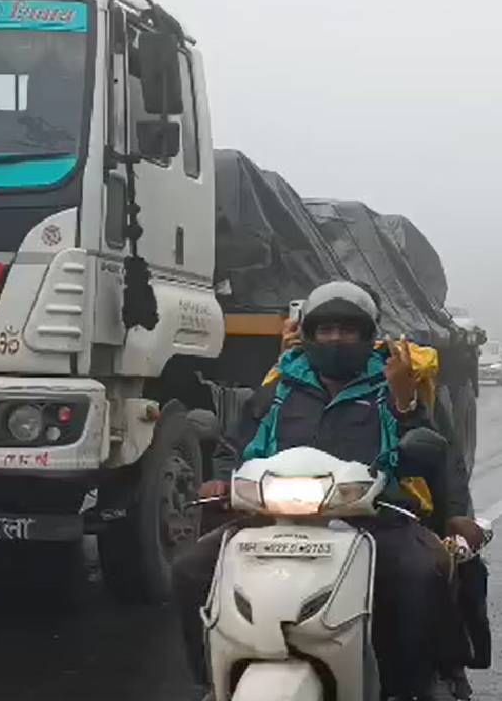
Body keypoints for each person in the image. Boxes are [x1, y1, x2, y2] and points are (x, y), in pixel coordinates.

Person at [172, 280, 484, 701]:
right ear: (309, 334)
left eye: (348, 329)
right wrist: (222, 480)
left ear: (368, 335)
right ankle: (213, 678)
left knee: (420, 575)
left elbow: (431, 451)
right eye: (325, 329)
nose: (335, 338)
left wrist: (407, 405)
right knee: (190, 568)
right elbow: (235, 447)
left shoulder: (392, 385)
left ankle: (412, 684)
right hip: (275, 518)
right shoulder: (281, 389)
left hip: (373, 519)